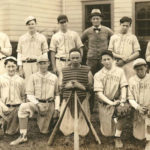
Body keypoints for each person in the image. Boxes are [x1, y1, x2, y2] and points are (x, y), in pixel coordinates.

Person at [10, 55, 60, 145]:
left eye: (45, 63)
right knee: (23, 107)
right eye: (40, 63)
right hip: (36, 104)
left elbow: (57, 95)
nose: (43, 65)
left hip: (49, 104)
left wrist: (57, 109)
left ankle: (49, 124)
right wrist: (37, 103)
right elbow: (29, 94)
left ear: (48, 64)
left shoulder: (54, 77)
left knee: (44, 132)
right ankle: (23, 136)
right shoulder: (33, 77)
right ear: (37, 65)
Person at [94, 50, 128, 148]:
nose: (107, 61)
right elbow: (99, 94)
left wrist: (123, 101)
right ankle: (113, 122)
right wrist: (110, 103)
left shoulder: (120, 71)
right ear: (101, 62)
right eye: (104, 60)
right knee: (106, 134)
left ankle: (118, 137)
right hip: (105, 103)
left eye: (108, 59)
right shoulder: (98, 74)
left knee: (124, 109)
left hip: (117, 101)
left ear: (113, 60)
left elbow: (123, 86)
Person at [59, 48, 93, 143]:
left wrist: (81, 86)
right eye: (73, 58)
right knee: (67, 118)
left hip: (82, 98)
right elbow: (60, 87)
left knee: (82, 117)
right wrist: (67, 86)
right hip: (67, 97)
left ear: (81, 58)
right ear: (69, 58)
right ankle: (68, 134)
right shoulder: (64, 70)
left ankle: (81, 135)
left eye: (77, 57)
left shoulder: (87, 70)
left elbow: (90, 87)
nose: (75, 60)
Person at [81, 9, 113, 75]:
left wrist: (109, 50)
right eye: (94, 19)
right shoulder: (87, 31)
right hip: (91, 59)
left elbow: (115, 40)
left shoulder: (107, 30)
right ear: (91, 20)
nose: (95, 20)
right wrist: (87, 49)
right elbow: (80, 42)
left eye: (97, 18)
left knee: (105, 74)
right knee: (90, 75)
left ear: (101, 19)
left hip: (104, 58)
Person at [17, 16, 49, 82]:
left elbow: (45, 53)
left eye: (32, 24)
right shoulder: (22, 38)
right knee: (27, 85)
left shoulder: (42, 37)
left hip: (37, 64)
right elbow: (19, 53)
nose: (31, 26)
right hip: (26, 65)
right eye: (29, 24)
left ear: (36, 24)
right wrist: (20, 67)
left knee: (38, 84)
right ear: (26, 26)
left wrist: (44, 65)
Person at [128, 58, 150, 150]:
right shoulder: (132, 80)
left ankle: (149, 142)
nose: (140, 71)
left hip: (149, 108)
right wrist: (138, 107)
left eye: (142, 68)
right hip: (138, 109)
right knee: (139, 136)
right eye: (137, 69)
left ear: (146, 67)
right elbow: (130, 98)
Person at [0, 56, 25, 136]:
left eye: (13, 66)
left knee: (10, 133)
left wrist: (21, 108)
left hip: (16, 108)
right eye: (8, 66)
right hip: (3, 107)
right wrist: (3, 106)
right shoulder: (1, 78)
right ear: (5, 67)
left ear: (16, 67)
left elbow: (23, 97)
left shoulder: (21, 80)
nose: (11, 69)